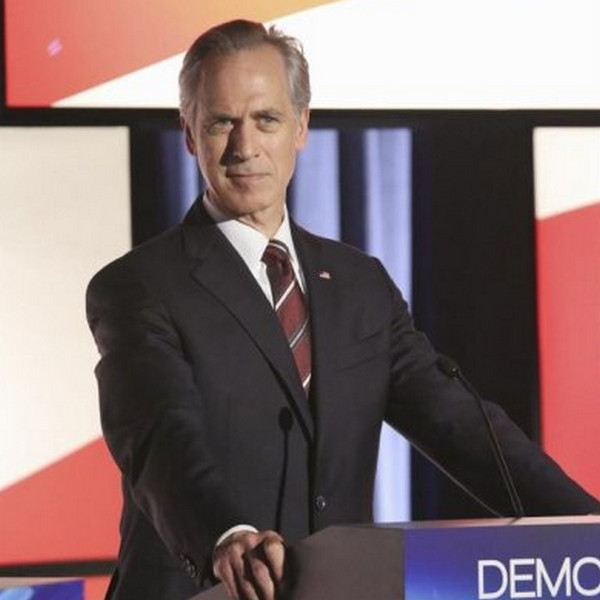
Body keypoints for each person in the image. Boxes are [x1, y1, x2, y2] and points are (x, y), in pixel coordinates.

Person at [86, 19, 600, 600]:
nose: (245, 147)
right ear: (189, 133)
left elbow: (460, 427)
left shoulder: (359, 285)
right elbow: (161, 437)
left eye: (266, 119)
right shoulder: (137, 287)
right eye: (221, 122)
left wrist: (587, 526)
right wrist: (225, 535)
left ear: (301, 126)